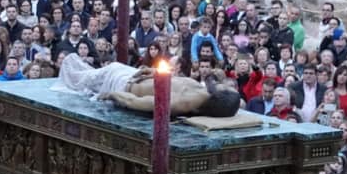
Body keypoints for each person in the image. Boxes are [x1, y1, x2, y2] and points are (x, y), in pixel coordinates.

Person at [58, 54, 240, 117]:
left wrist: (113, 95)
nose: (221, 83)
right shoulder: (199, 88)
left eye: (225, 87)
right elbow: (172, 79)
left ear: (219, 97)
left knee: (72, 73)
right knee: (78, 73)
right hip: (131, 75)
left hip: (121, 84)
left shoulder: (183, 103)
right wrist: (155, 72)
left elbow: (139, 102)